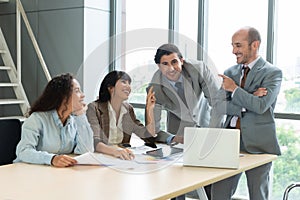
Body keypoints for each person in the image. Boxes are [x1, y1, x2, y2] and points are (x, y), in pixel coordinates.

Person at [211, 27, 282, 200]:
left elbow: (261, 106)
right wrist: (248, 101)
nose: (234, 51)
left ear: (255, 45)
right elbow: (219, 106)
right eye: (232, 46)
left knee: (258, 196)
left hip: (259, 145)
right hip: (229, 142)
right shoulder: (229, 73)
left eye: (238, 45)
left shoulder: (272, 73)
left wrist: (234, 90)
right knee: (218, 194)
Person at [14, 73, 94, 167]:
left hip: (55, 173)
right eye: (77, 91)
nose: (83, 95)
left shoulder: (74, 121)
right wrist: (52, 159)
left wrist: (80, 116)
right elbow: (23, 151)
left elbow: (85, 151)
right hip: (27, 171)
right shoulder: (37, 119)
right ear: (64, 97)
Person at [148, 43, 222, 145]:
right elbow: (153, 131)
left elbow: (217, 103)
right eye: (165, 64)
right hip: (178, 138)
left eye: (174, 62)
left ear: (181, 61)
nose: (171, 68)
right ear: (159, 66)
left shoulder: (198, 69)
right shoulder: (155, 88)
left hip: (206, 128)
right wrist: (173, 138)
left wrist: (213, 133)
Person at [86, 70, 157, 160]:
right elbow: (95, 142)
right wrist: (115, 152)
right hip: (100, 158)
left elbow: (148, 137)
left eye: (129, 83)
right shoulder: (94, 108)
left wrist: (149, 109)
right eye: (124, 82)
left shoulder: (128, 109)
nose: (128, 87)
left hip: (122, 158)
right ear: (110, 87)